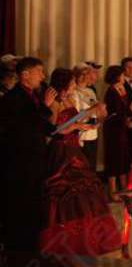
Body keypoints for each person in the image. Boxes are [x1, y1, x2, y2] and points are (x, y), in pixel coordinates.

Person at [40, 68, 121, 255]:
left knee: (87, 190)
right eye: (72, 82)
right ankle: (67, 239)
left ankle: (91, 235)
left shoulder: (68, 99)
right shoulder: (54, 103)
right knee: (66, 191)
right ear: (64, 83)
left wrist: (88, 117)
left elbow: (74, 118)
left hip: (74, 147)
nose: (74, 84)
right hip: (62, 151)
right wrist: (77, 125)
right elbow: (54, 130)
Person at [0, 57, 58, 251]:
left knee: (34, 204)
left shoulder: (32, 95)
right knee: (21, 205)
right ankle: (19, 249)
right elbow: (25, 126)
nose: (42, 76)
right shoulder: (13, 98)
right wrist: (46, 105)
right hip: (21, 162)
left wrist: (62, 129)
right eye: (39, 71)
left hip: (35, 159)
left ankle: (33, 245)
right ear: (25, 75)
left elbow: (42, 125)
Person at [104, 65, 132, 196]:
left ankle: (125, 188)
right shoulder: (111, 91)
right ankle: (112, 192)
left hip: (122, 128)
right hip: (114, 129)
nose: (123, 77)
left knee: (123, 158)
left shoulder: (121, 89)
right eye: (121, 75)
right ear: (116, 76)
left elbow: (123, 110)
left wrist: (129, 115)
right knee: (114, 159)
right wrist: (131, 109)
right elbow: (114, 112)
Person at [72, 62, 106, 171]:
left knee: (91, 167)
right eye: (89, 73)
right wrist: (94, 108)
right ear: (80, 76)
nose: (92, 76)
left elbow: (96, 111)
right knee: (83, 168)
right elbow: (75, 117)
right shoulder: (73, 92)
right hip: (81, 136)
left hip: (92, 134)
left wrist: (100, 115)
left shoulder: (90, 91)